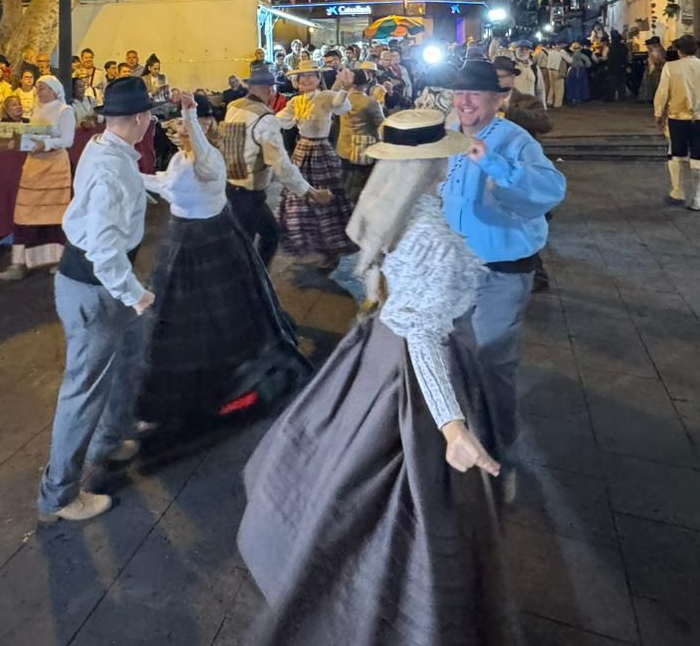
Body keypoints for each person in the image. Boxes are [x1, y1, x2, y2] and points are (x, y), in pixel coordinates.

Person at [238, 109, 507, 646]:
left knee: (339, 448)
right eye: (442, 157)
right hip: (408, 361)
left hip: (375, 344)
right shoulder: (428, 232)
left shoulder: (389, 205)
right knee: (403, 489)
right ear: (429, 165)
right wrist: (453, 427)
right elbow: (424, 340)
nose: (449, 164)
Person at [138, 92, 311, 428]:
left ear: (206, 122)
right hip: (182, 238)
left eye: (189, 124)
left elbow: (199, 155)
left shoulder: (210, 158)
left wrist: (189, 113)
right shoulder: (180, 159)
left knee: (218, 310)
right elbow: (166, 184)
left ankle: (225, 384)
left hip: (209, 238)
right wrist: (126, 171)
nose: (181, 130)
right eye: (180, 124)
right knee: (179, 314)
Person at [440, 60, 567, 499]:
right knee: (454, 359)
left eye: (474, 94)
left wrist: (495, 164)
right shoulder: (450, 134)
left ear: (498, 100)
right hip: (456, 268)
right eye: (459, 94)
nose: (464, 102)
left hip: (500, 271)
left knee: (493, 361)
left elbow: (550, 192)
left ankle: (500, 457)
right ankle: (461, 441)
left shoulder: (515, 140)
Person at [37, 76, 158, 524]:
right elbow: (104, 249)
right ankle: (58, 496)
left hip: (93, 281)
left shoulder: (105, 147)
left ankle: (111, 437)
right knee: (82, 392)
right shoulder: (109, 167)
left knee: (124, 358)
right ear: (142, 119)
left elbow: (126, 185)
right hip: (96, 285)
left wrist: (163, 182)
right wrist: (135, 295)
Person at [220, 67, 330, 270]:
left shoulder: (234, 106)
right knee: (247, 244)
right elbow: (280, 164)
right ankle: (249, 286)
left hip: (231, 183)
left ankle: (256, 279)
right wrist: (310, 191)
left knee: (268, 233)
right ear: (270, 90)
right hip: (249, 191)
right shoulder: (265, 119)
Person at [0, 77, 77, 282]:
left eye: (43, 88)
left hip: (55, 168)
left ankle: (59, 260)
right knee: (24, 214)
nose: (39, 91)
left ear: (54, 90)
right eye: (38, 88)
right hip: (33, 166)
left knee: (55, 215)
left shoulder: (64, 110)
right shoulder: (35, 109)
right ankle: (19, 263)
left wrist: (46, 144)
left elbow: (68, 140)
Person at [276, 65, 356, 265]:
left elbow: (339, 103)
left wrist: (345, 87)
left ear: (318, 78)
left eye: (310, 76)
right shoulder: (296, 101)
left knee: (326, 196)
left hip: (321, 150)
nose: (305, 80)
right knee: (299, 196)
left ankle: (331, 248)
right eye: (302, 76)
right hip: (302, 150)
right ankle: (306, 242)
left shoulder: (326, 95)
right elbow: (280, 120)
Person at [654, 34, 700, 212]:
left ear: (679, 51)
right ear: (697, 49)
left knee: (676, 155)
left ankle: (678, 191)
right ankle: (697, 199)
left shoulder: (670, 67)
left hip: (677, 117)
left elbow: (662, 93)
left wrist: (658, 113)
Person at [336, 67, 386, 206]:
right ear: (365, 84)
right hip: (363, 150)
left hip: (344, 147)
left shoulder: (341, 99)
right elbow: (381, 124)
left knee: (345, 181)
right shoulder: (370, 102)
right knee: (360, 184)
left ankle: (343, 208)